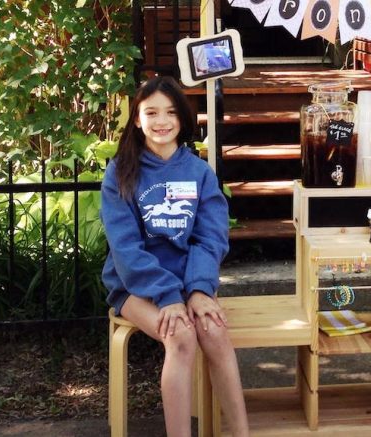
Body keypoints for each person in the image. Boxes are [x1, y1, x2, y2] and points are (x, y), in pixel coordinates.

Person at [101, 76, 249, 437]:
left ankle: (242, 433)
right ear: (137, 119)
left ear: (182, 119)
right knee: (181, 336)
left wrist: (199, 290)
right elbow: (125, 247)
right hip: (135, 288)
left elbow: (210, 237)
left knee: (213, 331)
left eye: (169, 112)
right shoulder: (120, 172)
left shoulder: (199, 172)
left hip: (188, 281)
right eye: (151, 112)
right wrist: (167, 295)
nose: (161, 121)